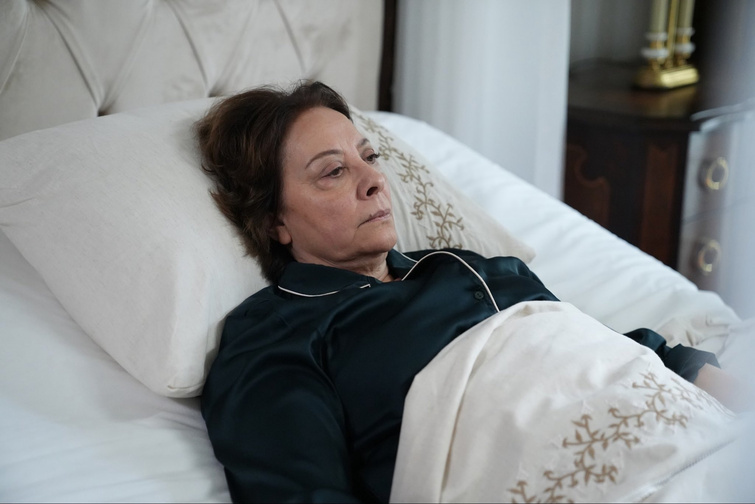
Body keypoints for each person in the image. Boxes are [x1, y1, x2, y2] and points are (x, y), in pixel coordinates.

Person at [195, 81, 741, 503]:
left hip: (692, 435)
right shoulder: (275, 333)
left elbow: (611, 352)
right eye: (334, 171)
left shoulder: (465, 265)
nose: (374, 181)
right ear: (274, 220)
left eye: (370, 158)